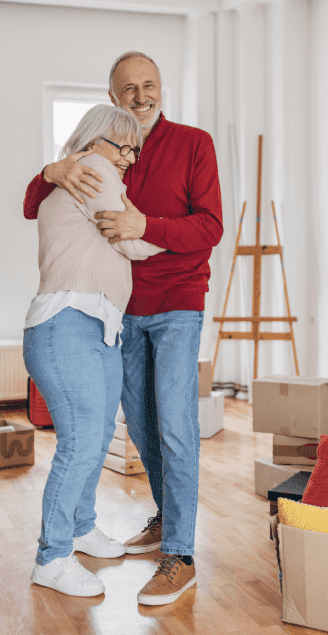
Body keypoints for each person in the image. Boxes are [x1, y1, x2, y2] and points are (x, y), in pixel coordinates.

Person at [24, 51, 224, 606]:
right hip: (121, 314)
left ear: (163, 88)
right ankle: (164, 516)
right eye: (129, 88)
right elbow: (31, 202)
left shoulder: (192, 142)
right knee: (139, 427)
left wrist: (146, 224)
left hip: (177, 303)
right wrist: (51, 168)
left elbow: (210, 225)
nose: (141, 96)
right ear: (113, 99)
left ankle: (179, 555)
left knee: (178, 427)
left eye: (150, 85)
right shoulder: (103, 155)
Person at [24, 105, 164, 598]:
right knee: (83, 442)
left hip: (96, 326)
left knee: (98, 433)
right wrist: (182, 233)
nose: (127, 158)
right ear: (93, 140)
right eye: (120, 145)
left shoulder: (92, 174)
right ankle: (53, 556)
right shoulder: (92, 170)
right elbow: (133, 243)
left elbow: (126, 232)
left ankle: (81, 526)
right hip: (68, 323)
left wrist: (147, 227)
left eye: (133, 149)